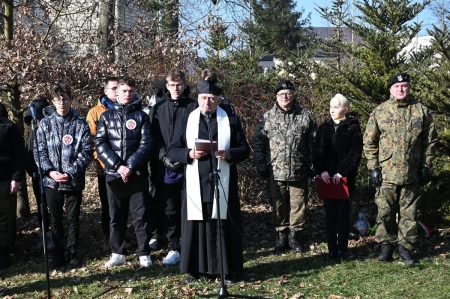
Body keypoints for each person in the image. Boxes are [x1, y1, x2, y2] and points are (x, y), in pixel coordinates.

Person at [168, 79, 250, 284]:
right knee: (197, 226)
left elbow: (245, 150)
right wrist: (189, 153)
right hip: (196, 182)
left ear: (219, 101)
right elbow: (172, 149)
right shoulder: (188, 119)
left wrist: (229, 153)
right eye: (204, 98)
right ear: (198, 99)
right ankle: (195, 270)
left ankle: (225, 270)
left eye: (212, 99)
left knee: (222, 225)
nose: (207, 103)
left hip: (222, 183)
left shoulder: (230, 120)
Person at [363, 73, 438, 264]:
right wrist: (373, 167)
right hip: (386, 173)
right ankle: (386, 246)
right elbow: (369, 143)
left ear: (409, 88)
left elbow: (431, 141)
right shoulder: (380, 112)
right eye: (397, 87)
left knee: (409, 214)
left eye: (404, 86)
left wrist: (426, 166)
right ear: (390, 89)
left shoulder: (421, 111)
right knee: (385, 212)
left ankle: (406, 248)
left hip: (412, 172)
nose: (401, 89)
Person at [95, 76, 153, 268]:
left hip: (136, 174)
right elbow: (100, 144)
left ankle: (144, 253)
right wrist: (118, 166)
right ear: (116, 93)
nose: (128, 94)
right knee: (116, 216)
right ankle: (117, 252)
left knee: (141, 215)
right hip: (114, 173)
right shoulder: (105, 117)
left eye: (131, 91)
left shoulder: (142, 116)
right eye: (124, 91)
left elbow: (147, 144)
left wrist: (130, 166)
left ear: (135, 92)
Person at [254, 79, 317, 254]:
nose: (285, 97)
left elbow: (314, 143)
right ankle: (281, 236)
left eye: (289, 93)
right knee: (278, 205)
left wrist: (313, 165)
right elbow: (259, 142)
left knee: (299, 206)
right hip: (276, 170)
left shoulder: (306, 116)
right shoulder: (267, 117)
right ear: (276, 97)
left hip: (299, 169)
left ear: (294, 95)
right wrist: (260, 164)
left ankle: (294, 236)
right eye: (281, 94)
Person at [34, 84, 92, 268]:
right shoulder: (45, 123)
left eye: (65, 98)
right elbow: (39, 150)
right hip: (52, 181)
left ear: (71, 100)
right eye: (58, 99)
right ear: (53, 101)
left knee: (73, 219)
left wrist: (70, 172)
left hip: (73, 181)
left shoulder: (80, 123)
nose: (62, 102)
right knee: (55, 219)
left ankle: (73, 253)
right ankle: (58, 254)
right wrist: (50, 171)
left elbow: (87, 151)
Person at [148, 70, 197, 265]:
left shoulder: (194, 106)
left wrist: (184, 155)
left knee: (189, 205)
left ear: (185, 85)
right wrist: (163, 157)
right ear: (166, 86)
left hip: (190, 163)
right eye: (172, 85)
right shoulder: (159, 108)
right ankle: (173, 245)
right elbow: (153, 136)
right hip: (164, 165)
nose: (176, 88)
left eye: (179, 85)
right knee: (169, 207)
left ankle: (189, 241)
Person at [312, 94, 363, 261]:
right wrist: (322, 171)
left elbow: (355, 153)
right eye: (330, 107)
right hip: (327, 179)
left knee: (342, 213)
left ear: (345, 109)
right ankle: (331, 248)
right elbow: (316, 152)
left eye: (336, 107)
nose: (332, 110)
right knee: (329, 214)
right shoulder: (323, 127)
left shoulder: (353, 127)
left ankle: (342, 248)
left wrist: (343, 171)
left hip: (344, 179)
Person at [86, 76, 117, 253]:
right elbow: (93, 141)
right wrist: (105, 161)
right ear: (105, 91)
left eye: (116, 88)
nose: (115, 91)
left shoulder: (128, 109)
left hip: (124, 168)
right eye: (112, 88)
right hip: (104, 169)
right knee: (107, 205)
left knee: (123, 205)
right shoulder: (95, 112)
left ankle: (122, 237)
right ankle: (108, 238)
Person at [0, 103, 25, 269]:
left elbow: (19, 153)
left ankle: (3, 254)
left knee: (4, 217)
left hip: (5, 179)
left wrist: (16, 178)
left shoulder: (9, 127)